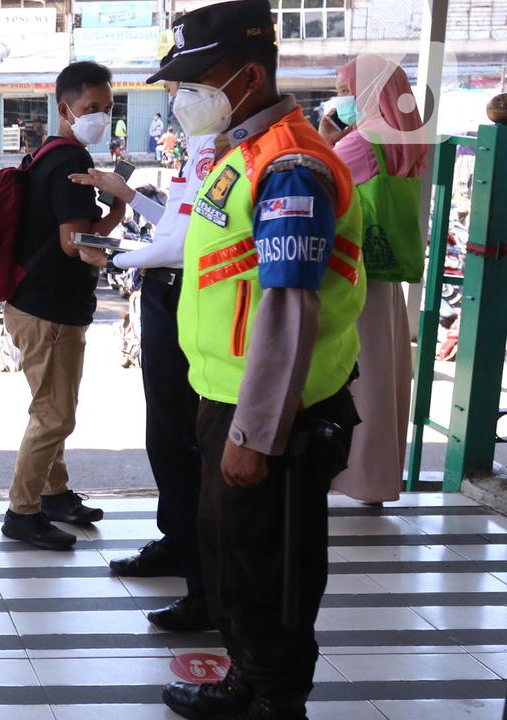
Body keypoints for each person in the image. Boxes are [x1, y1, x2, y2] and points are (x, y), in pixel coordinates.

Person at [149, 3, 366, 718]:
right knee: (232, 554)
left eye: (194, 79)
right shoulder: (242, 153)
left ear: (247, 75)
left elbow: (288, 305)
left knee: (271, 564)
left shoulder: (291, 166)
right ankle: (247, 674)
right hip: (226, 397)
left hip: (274, 413)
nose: (181, 97)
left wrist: (256, 430)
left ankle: (277, 699)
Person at [68, 60, 218, 633]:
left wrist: (117, 258)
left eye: (183, 88)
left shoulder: (223, 148)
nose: (175, 100)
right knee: (167, 432)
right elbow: (177, 222)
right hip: (167, 290)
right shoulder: (200, 143)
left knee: (183, 438)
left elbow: (181, 244)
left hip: (180, 292)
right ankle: (178, 541)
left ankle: (203, 581)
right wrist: (125, 194)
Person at [0, 61, 125, 551]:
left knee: (49, 406)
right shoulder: (69, 162)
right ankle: (22, 512)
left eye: (108, 109)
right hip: (49, 310)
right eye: (92, 107)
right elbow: (75, 242)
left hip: (34, 303)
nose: (101, 117)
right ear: (66, 109)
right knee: (54, 416)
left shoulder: (47, 153)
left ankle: (53, 495)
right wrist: (118, 209)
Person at [319, 54, 427, 506]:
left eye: (346, 90)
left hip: (352, 273)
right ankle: (377, 480)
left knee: (351, 375)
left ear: (368, 92)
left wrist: (326, 142)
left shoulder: (357, 144)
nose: (340, 99)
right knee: (384, 376)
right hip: (387, 273)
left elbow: (321, 183)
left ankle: (349, 474)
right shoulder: (407, 137)